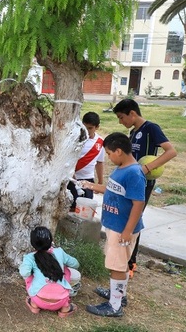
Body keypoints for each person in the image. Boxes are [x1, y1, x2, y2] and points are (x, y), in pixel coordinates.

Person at [81, 132, 147, 317]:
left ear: (119, 151)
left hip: (122, 229)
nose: (108, 157)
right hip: (114, 226)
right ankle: (119, 295)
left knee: (116, 266)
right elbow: (112, 190)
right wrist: (90, 185)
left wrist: (126, 231)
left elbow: (138, 203)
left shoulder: (134, 173)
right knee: (119, 263)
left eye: (109, 153)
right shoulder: (122, 168)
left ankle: (115, 306)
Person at [112, 99, 177, 278]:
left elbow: (171, 151)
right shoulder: (133, 133)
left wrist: (148, 167)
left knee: (134, 220)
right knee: (125, 218)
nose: (120, 122)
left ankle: (131, 262)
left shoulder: (151, 129)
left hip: (143, 184)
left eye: (121, 117)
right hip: (129, 181)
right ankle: (122, 258)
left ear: (132, 113)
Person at [19, 226, 79, 317]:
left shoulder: (30, 257)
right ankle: (65, 308)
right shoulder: (59, 252)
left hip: (38, 299)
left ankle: (34, 304)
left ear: (32, 243)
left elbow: (24, 273)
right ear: (51, 240)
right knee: (67, 271)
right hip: (60, 301)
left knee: (29, 275)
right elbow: (75, 264)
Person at [68, 112, 105, 212]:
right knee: (70, 207)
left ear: (97, 127)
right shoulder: (74, 139)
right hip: (72, 178)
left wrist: (100, 181)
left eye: (90, 128)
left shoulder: (100, 142)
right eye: (85, 127)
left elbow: (100, 162)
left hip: (88, 178)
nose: (87, 131)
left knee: (85, 209)